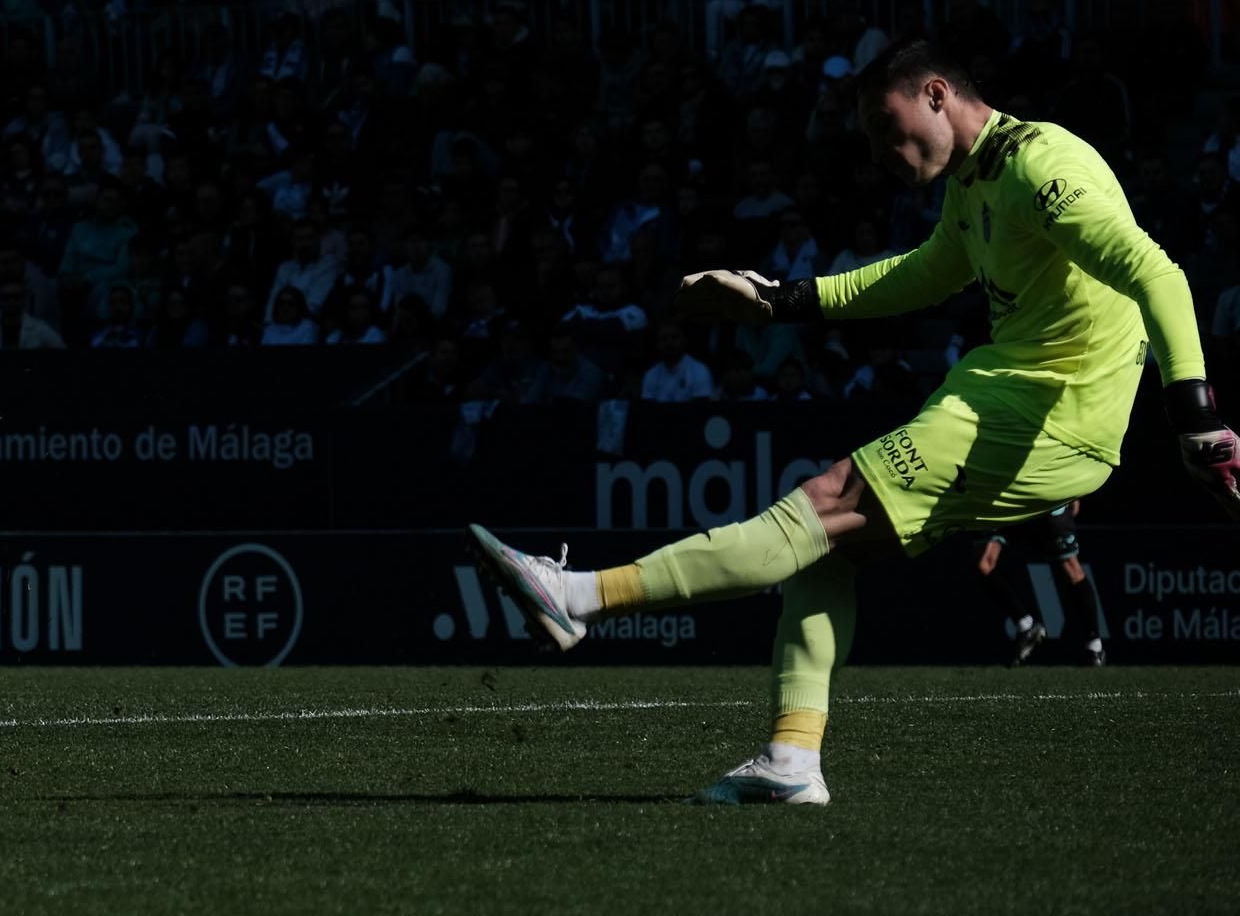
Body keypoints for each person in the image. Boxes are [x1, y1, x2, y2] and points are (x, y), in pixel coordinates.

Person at [468, 39, 1239, 805]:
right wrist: (781, 298)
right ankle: (791, 757)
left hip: (1046, 411)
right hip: (1009, 393)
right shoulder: (973, 182)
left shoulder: (1039, 166)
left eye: (885, 124)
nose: (880, 150)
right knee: (824, 551)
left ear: (937, 93)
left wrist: (1194, 412)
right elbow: (923, 273)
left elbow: (1156, 273)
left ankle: (577, 596)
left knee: (823, 500)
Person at [973, 501, 1107, 668]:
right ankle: (1025, 625)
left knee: (1071, 570)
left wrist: (1075, 494)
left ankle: (1094, 646)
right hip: (1012, 501)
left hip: (1046, 501)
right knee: (983, 564)